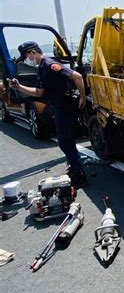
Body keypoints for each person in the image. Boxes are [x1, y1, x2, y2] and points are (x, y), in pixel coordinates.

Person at [11, 41, 88, 188]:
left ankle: (79, 176)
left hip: (66, 106)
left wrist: (82, 96)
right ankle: (75, 168)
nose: (27, 60)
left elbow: (77, 76)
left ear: (33, 52)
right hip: (58, 107)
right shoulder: (41, 69)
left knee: (65, 142)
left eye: (26, 56)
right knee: (66, 141)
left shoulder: (50, 65)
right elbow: (39, 92)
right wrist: (19, 87)